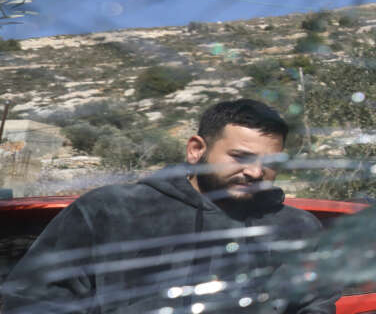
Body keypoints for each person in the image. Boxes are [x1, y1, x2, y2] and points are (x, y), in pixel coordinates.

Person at [1, 98, 338, 313]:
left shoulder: (296, 227)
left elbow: (315, 303)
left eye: (270, 161)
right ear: (196, 150)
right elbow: (35, 301)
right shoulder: (111, 210)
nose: (255, 171)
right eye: (240, 157)